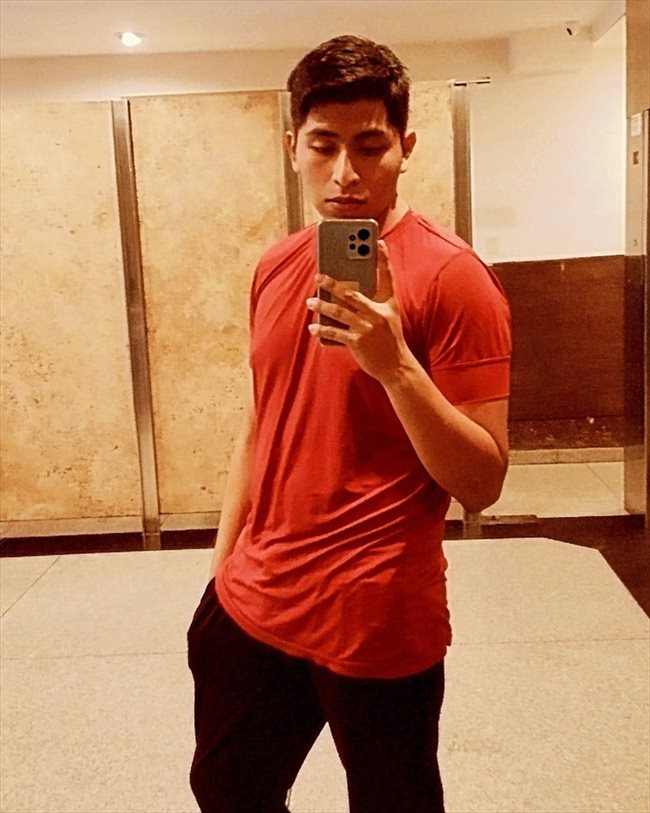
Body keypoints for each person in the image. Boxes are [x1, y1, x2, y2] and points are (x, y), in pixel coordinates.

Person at [187, 34, 511, 813]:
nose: (344, 172)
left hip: (377, 618)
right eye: (323, 145)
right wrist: (220, 574)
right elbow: (260, 421)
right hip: (254, 602)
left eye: (369, 146)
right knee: (228, 789)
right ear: (292, 147)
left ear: (405, 147)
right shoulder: (275, 266)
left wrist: (394, 364)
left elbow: (483, 481)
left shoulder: (456, 279)